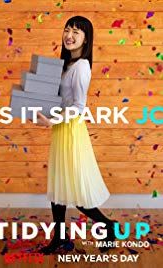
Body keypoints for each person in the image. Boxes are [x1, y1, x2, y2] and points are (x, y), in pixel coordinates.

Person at [35, 16, 120, 254]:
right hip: (61, 130)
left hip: (71, 130)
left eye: (76, 32)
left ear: (86, 39)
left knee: (76, 189)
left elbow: (78, 107)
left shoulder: (82, 66)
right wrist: (38, 112)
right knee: (58, 186)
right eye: (67, 30)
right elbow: (59, 101)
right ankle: (60, 238)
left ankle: (108, 225)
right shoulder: (65, 65)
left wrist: (52, 119)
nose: (69, 35)